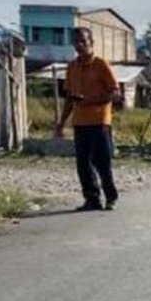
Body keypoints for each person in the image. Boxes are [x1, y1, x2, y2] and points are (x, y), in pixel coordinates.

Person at [54, 27, 120, 211]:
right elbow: (68, 97)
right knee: (83, 164)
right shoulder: (72, 67)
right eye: (76, 42)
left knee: (102, 163)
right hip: (80, 122)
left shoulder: (101, 64)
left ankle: (111, 197)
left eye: (83, 41)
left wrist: (92, 100)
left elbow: (115, 92)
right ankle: (92, 199)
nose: (80, 45)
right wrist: (62, 121)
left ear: (92, 43)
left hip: (100, 121)